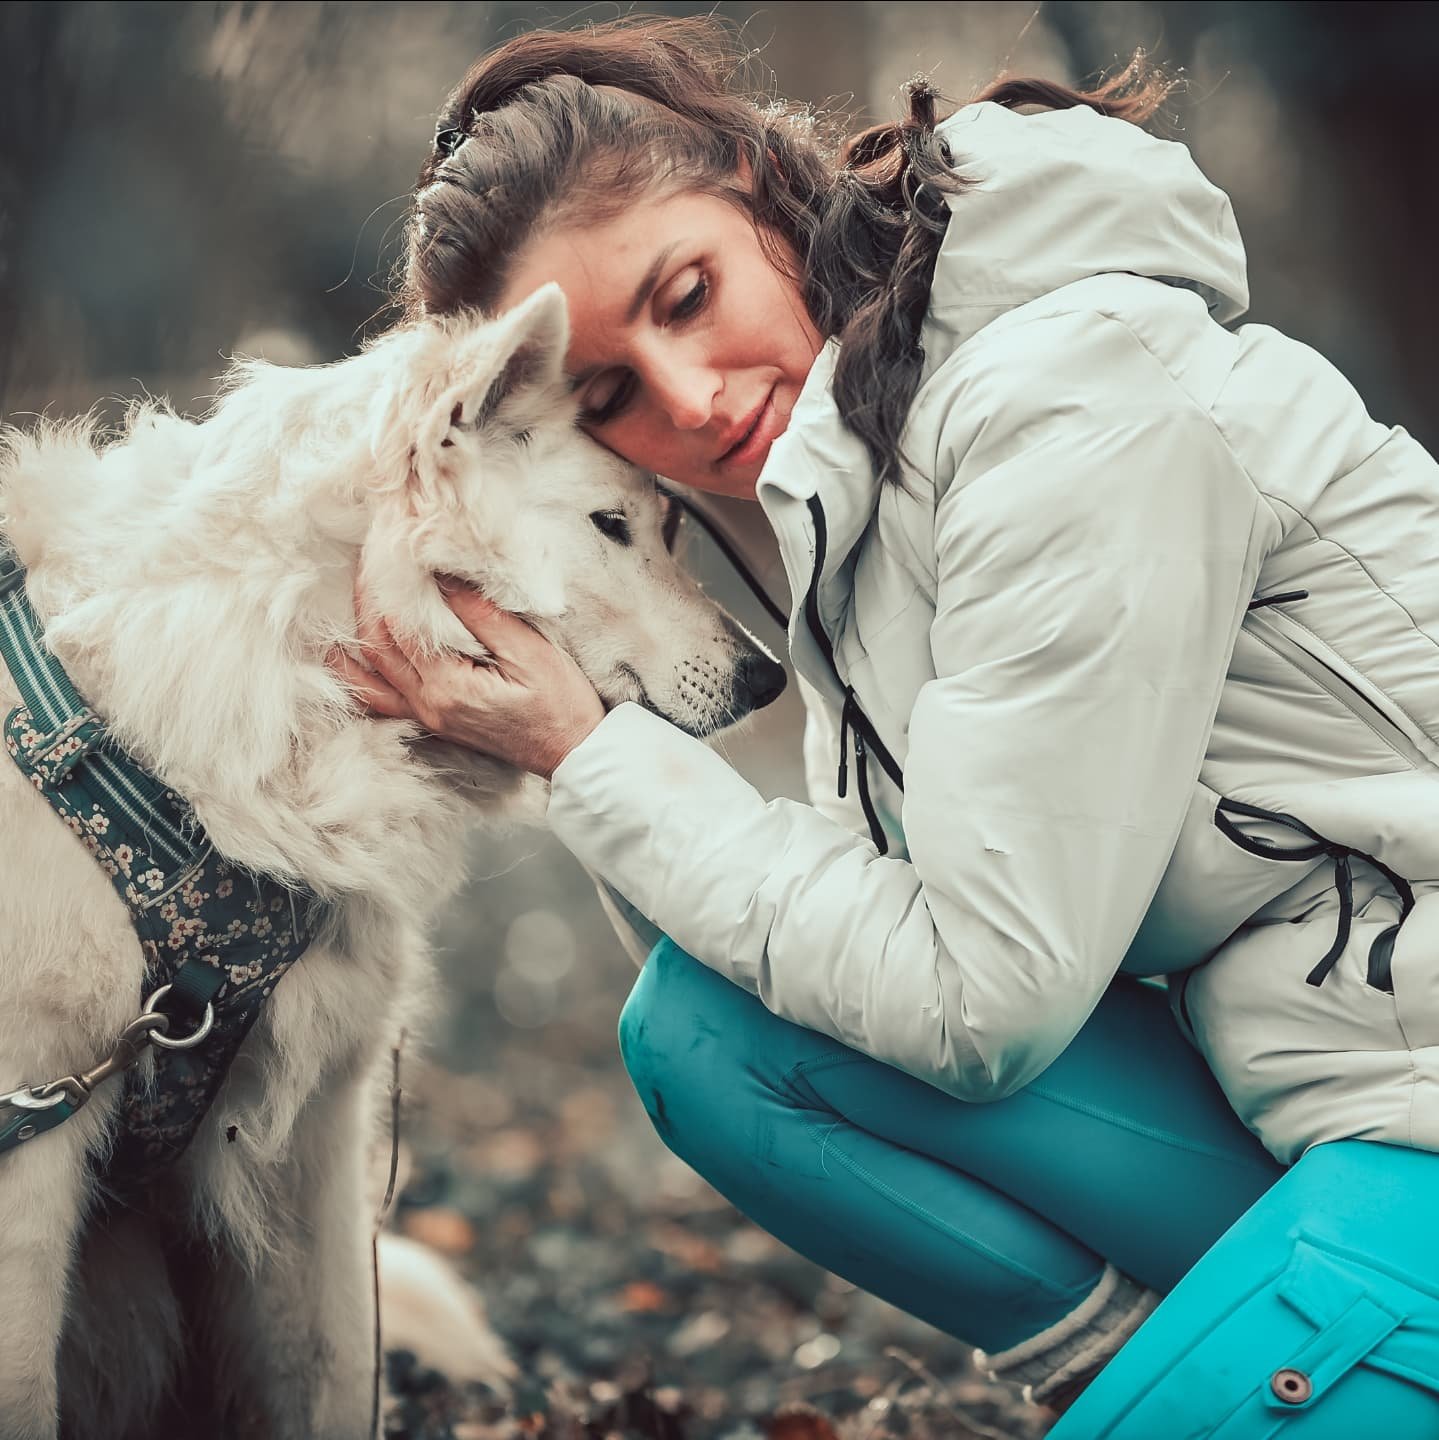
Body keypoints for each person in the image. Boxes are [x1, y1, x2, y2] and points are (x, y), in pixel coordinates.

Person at [335, 17, 1439, 1433]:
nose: (691, 400)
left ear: (752, 184)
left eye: (687, 295)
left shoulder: (1062, 403)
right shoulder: (851, 481)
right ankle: (1162, 1364)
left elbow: (985, 998)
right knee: (708, 1027)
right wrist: (568, 685)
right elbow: (785, 962)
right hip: (1301, 1109)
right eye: (610, 395)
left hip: (1410, 1116)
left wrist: (588, 759)